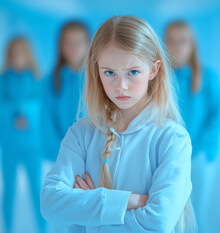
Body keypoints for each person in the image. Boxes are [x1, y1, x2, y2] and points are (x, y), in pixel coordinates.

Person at [40, 15, 197, 232]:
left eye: (133, 72)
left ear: (153, 69)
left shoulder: (172, 139)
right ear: (97, 71)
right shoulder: (80, 134)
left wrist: (90, 208)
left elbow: (158, 222)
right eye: (110, 73)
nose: (121, 86)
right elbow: (50, 203)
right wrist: (130, 201)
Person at [165, 20, 220, 233]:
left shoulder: (207, 77)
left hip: (198, 156)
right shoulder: (158, 78)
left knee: (196, 218)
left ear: (192, 45)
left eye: (183, 41)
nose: (178, 47)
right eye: (172, 41)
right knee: (170, 219)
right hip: (167, 158)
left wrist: (204, 150)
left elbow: (217, 115)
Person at [0, 37, 46, 232]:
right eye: (13, 52)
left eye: (21, 52)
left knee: (36, 190)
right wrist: (15, 113)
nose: (17, 56)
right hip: (9, 144)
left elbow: (43, 109)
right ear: (8, 55)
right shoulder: (0, 82)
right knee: (8, 190)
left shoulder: (39, 81)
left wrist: (26, 112)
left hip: (33, 145)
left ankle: (42, 228)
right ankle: (7, 228)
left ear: (29, 55)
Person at [42, 21, 90, 161]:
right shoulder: (51, 82)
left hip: (95, 156)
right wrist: (63, 154)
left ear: (88, 44)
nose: (73, 48)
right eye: (68, 43)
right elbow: (47, 123)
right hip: (63, 157)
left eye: (78, 43)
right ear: (60, 46)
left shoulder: (99, 78)